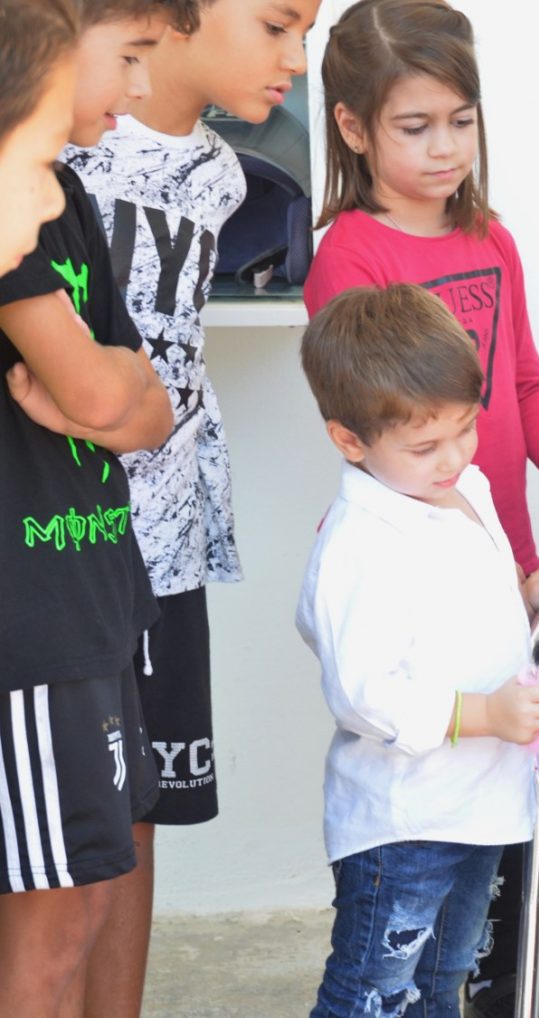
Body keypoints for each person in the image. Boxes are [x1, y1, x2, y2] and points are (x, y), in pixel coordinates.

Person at [302, 5, 539, 1012]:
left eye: (461, 122)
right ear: (354, 129)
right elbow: (379, 420)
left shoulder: (492, 239)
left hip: (496, 551)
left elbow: (523, 384)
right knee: (432, 819)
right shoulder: (350, 257)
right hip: (424, 569)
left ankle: (495, 990)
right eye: (415, 126)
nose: (445, 148)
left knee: (494, 809)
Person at [62, 0, 321, 1008]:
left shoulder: (222, 174)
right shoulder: (65, 136)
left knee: (139, 812)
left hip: (164, 545)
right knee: (56, 838)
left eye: (307, 34)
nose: (295, 59)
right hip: (59, 543)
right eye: (276, 25)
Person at [295, 283, 539, 1018]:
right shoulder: (362, 543)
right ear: (350, 441)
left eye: (465, 429)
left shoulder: (463, 487)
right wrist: (487, 714)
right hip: (407, 824)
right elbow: (364, 693)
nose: (453, 457)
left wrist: (523, 596)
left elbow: (450, 617)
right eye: (424, 446)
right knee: (373, 994)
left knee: (441, 980)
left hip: (478, 806)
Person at [0, 0, 177, 1012]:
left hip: (99, 597)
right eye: (130, 56)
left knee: (88, 898)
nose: (140, 88)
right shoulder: (16, 209)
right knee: (55, 920)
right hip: (36, 630)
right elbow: (108, 399)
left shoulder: (56, 195)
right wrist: (108, 396)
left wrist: (112, 395)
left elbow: (144, 407)